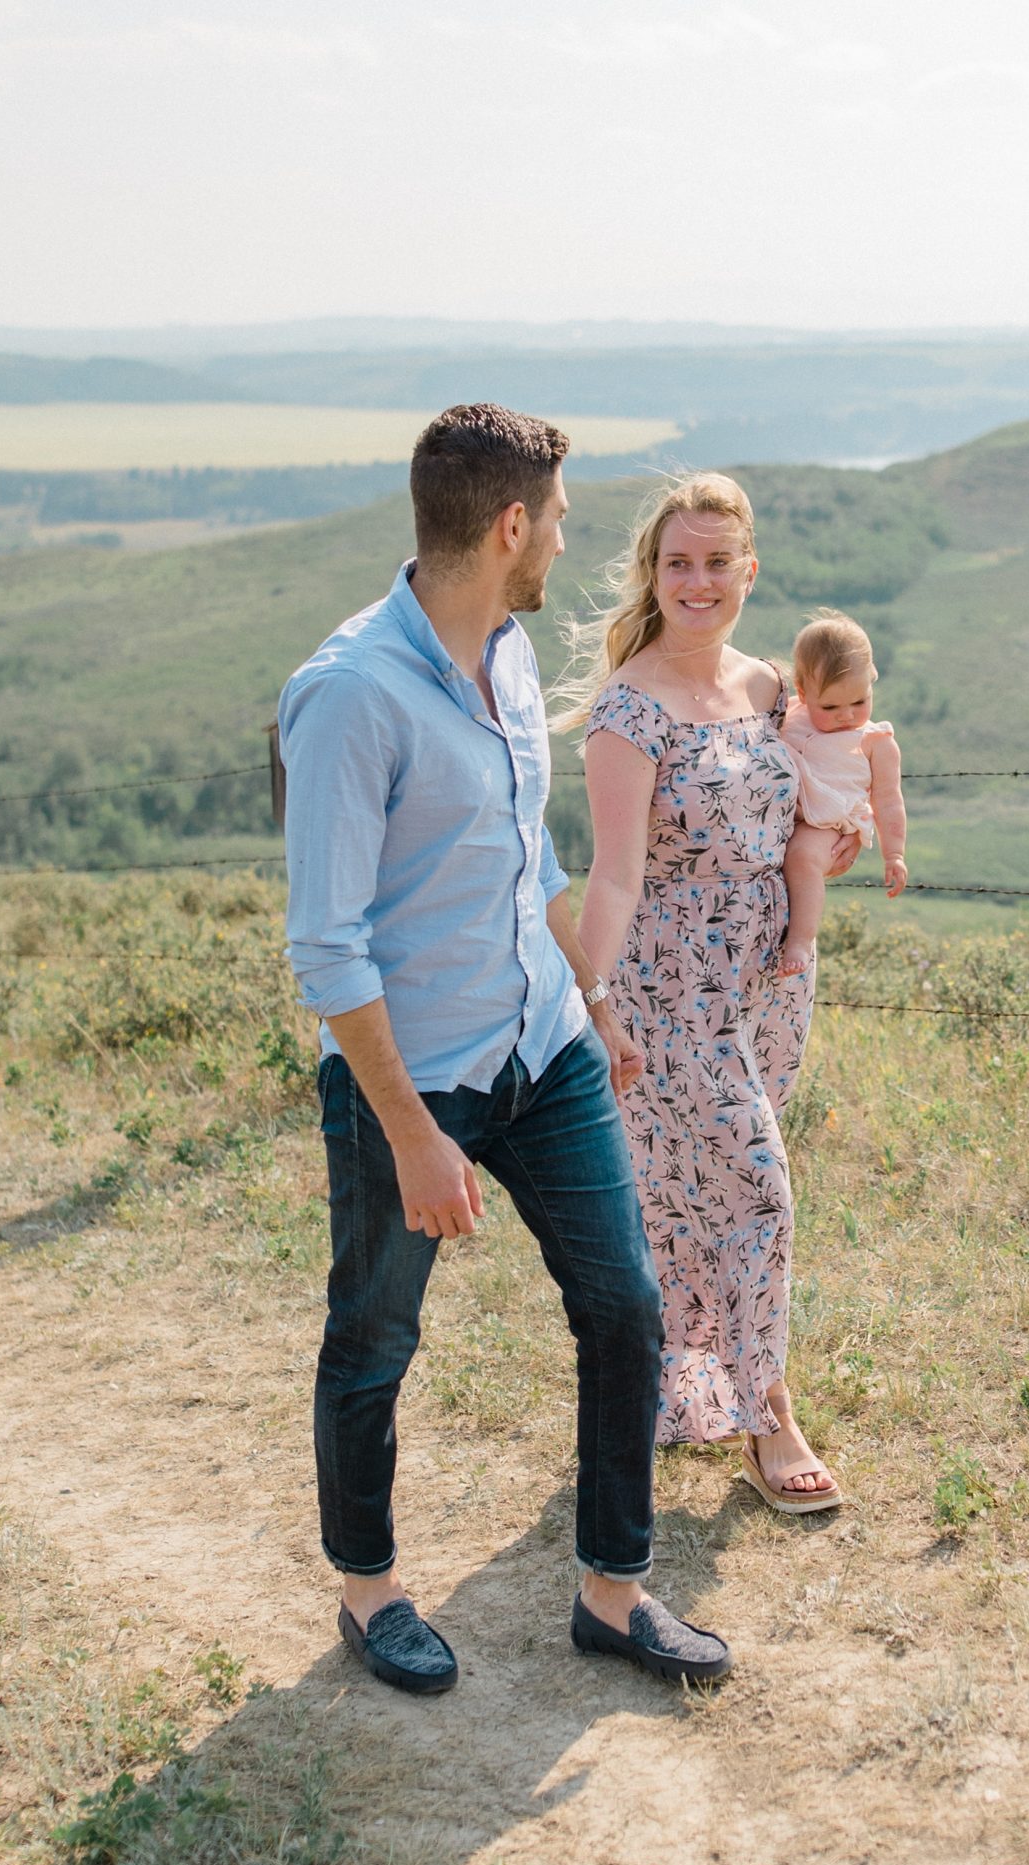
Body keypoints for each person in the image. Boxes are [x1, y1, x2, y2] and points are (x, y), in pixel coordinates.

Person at [278, 406, 732, 1696]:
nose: (567, 545)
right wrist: (416, 1138)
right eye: (560, 521)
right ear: (509, 524)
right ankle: (370, 1593)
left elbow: (524, 853)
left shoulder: (514, 653)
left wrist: (588, 997)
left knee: (625, 1306)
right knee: (373, 1337)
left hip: (542, 1041)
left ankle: (613, 1590)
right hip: (407, 1080)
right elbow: (329, 951)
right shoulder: (348, 695)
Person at [564, 471, 847, 1516]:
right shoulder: (627, 712)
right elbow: (614, 875)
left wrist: (830, 857)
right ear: (653, 571)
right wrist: (593, 1002)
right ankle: (768, 1417)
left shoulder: (772, 689)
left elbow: (792, 827)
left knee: (689, 1195)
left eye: (715, 561)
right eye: (676, 562)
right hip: (670, 989)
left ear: (747, 570)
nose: (696, 580)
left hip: (766, 980)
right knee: (757, 1187)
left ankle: (662, 1390)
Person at [779, 612, 909, 976]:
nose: (846, 715)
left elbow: (888, 800)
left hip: (825, 823)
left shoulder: (875, 741)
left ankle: (801, 941)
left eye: (859, 701)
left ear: (872, 680)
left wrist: (894, 853)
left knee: (803, 859)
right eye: (830, 706)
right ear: (803, 693)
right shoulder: (789, 712)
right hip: (779, 815)